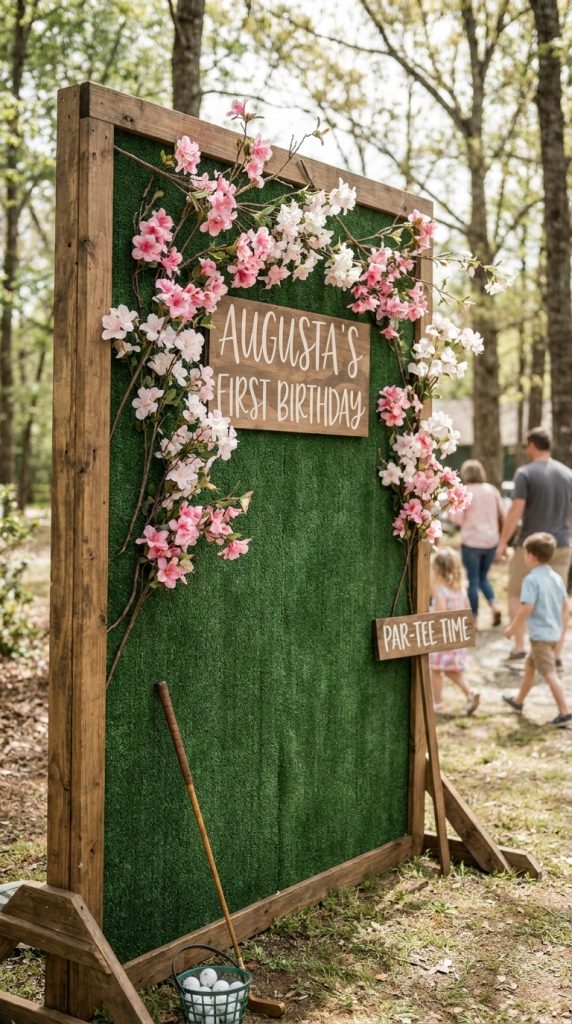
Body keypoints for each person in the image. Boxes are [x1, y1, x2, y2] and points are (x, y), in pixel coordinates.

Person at [497, 427, 572, 662]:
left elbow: (515, 510)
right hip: (562, 545)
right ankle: (555, 653)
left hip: (530, 547)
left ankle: (519, 646)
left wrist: (502, 543)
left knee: (515, 592)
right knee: (560, 599)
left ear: (531, 446)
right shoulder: (568, 474)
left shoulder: (524, 473)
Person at [503, 532, 571, 726]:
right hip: (552, 633)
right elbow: (565, 606)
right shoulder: (556, 577)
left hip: (540, 636)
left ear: (531, 556)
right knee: (530, 668)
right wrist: (560, 627)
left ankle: (564, 712)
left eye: (525, 553)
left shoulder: (531, 580)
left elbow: (527, 607)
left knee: (549, 673)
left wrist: (512, 628)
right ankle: (518, 701)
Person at [449, 459, 504, 626]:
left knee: (473, 580)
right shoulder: (492, 490)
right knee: (483, 578)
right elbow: (501, 515)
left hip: (472, 542)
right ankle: (494, 605)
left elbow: (457, 519)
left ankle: (474, 619)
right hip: (491, 541)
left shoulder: (465, 491)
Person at [429, 547, 480, 715]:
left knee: (435, 670)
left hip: (442, 639)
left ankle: (438, 704)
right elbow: (467, 612)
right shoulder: (461, 591)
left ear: (438, 570)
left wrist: (428, 615)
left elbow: (440, 614)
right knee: (451, 670)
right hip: (455, 638)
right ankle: (470, 693)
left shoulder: (440, 592)